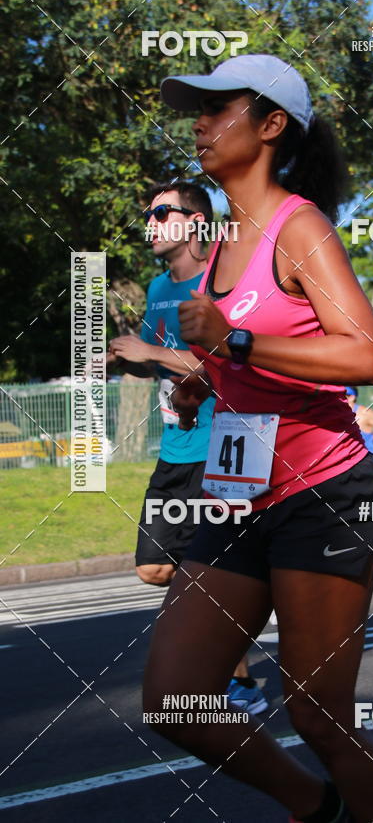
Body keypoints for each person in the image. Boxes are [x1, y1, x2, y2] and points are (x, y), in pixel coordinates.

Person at [143, 54, 373, 823]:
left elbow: (367, 355)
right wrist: (204, 378)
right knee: (175, 697)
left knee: (320, 717)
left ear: (270, 125)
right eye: (196, 108)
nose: (198, 121)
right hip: (236, 499)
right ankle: (313, 807)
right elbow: (238, 351)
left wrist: (234, 347)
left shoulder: (299, 227)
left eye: (217, 107)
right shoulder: (222, 242)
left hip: (323, 497)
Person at [108, 180, 266, 714]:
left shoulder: (221, 283)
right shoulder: (157, 289)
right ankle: (235, 644)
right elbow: (157, 357)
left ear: (196, 222)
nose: (149, 223)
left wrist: (147, 348)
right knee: (155, 568)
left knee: (208, 568)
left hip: (224, 446)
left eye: (161, 213)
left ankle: (231, 677)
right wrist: (115, 357)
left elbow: (222, 363)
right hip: (176, 445)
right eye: (147, 215)